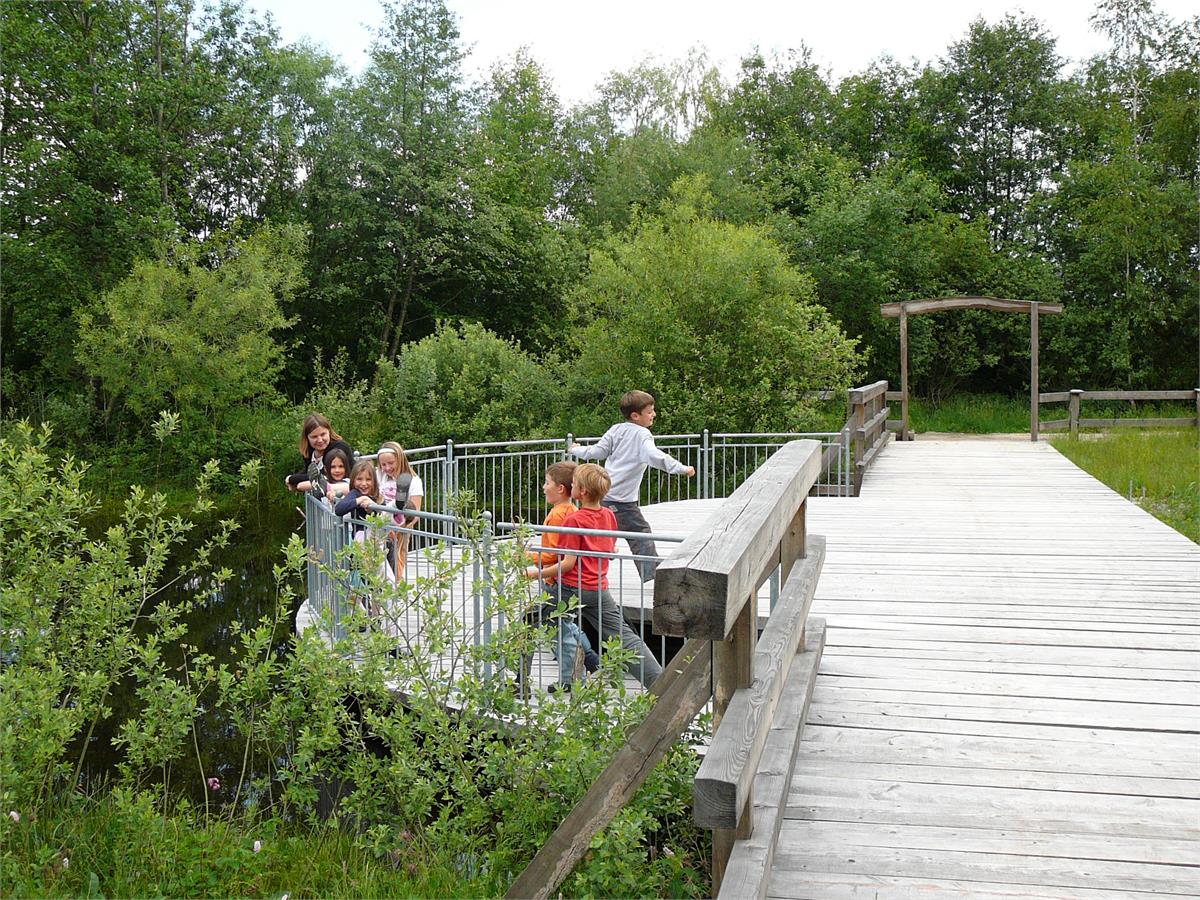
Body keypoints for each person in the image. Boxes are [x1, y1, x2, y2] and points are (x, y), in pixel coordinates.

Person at [546, 463, 662, 690]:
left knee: (530, 624)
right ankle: (660, 684)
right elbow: (608, 551)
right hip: (598, 588)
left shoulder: (574, 521)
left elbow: (567, 564)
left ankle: (520, 683)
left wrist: (534, 574)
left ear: (582, 492)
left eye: (575, 484)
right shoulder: (609, 515)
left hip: (570, 589)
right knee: (627, 638)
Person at [570, 390, 695, 581]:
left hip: (603, 494)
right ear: (635, 416)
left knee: (599, 534)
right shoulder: (643, 435)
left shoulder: (616, 429)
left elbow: (598, 452)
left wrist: (576, 450)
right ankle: (653, 578)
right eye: (650, 412)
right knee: (640, 535)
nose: (654, 414)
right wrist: (681, 468)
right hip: (621, 500)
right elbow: (655, 456)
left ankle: (579, 569)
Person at [522, 461, 600, 686]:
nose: (543, 487)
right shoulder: (570, 510)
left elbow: (555, 554)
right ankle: (589, 663)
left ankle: (570, 679)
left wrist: (528, 557)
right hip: (568, 581)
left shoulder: (558, 515)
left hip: (555, 581)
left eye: (547, 483)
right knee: (566, 626)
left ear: (561, 489)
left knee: (560, 631)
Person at [334, 460, 397, 621]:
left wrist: (375, 505)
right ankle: (360, 617)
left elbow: (379, 518)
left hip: (378, 546)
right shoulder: (355, 494)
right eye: (359, 479)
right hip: (360, 547)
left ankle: (376, 619)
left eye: (368, 480)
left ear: (374, 481)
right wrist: (359, 501)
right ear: (353, 480)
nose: (364, 484)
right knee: (359, 585)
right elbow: (339, 509)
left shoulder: (377, 497)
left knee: (376, 586)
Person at [375, 442, 423, 578]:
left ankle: (395, 590)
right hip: (379, 525)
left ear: (400, 460)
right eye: (383, 465)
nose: (387, 468)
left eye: (391, 463)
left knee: (396, 562)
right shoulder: (379, 475)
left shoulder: (414, 481)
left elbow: (416, 514)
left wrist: (400, 529)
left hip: (400, 529)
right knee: (376, 562)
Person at [286, 413, 354, 495]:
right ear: (307, 438)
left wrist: (291, 479)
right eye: (314, 437)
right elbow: (309, 472)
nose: (320, 440)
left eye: (323, 434)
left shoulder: (339, 448)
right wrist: (292, 479)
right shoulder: (309, 451)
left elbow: (321, 476)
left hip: (345, 492)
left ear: (329, 432)